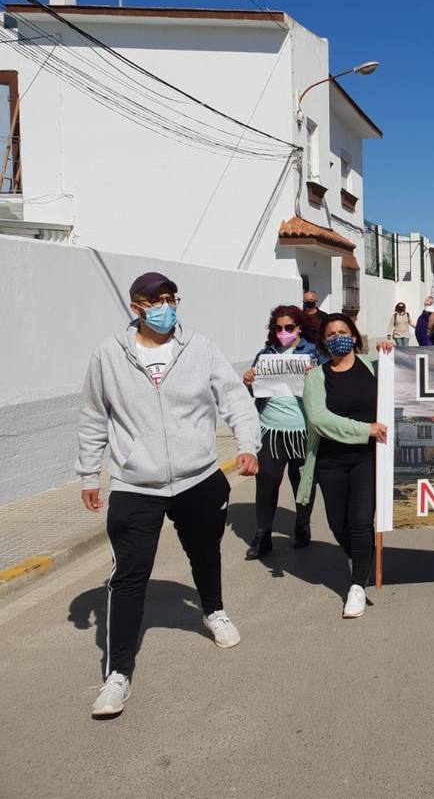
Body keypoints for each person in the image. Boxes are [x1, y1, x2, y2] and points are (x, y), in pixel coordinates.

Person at [78, 272, 260, 719]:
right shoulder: (109, 354)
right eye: (154, 300)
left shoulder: (199, 347)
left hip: (198, 477)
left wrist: (247, 445)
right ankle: (117, 674)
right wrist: (88, 473)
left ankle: (213, 610)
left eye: (170, 298)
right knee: (128, 575)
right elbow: (93, 416)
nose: (165, 306)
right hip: (135, 484)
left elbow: (234, 397)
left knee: (205, 553)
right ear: (135, 306)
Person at [297, 314, 393, 618]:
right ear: (324, 341)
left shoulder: (372, 365)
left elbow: (403, 378)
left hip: (367, 458)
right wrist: (364, 429)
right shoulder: (316, 377)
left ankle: (356, 585)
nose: (338, 336)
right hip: (331, 460)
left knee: (361, 520)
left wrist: (390, 351)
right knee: (337, 523)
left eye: (343, 331)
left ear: (353, 336)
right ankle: (362, 558)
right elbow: (319, 420)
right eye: (331, 333)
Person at [241, 305, 321, 560]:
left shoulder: (313, 353)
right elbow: (256, 392)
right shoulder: (265, 354)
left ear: (299, 328)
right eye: (278, 328)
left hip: (303, 431)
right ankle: (262, 535)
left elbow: (329, 386)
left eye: (289, 327)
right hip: (271, 430)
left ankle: (302, 525)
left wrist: (315, 376)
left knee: (302, 482)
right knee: (267, 482)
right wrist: (249, 382)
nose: (283, 332)